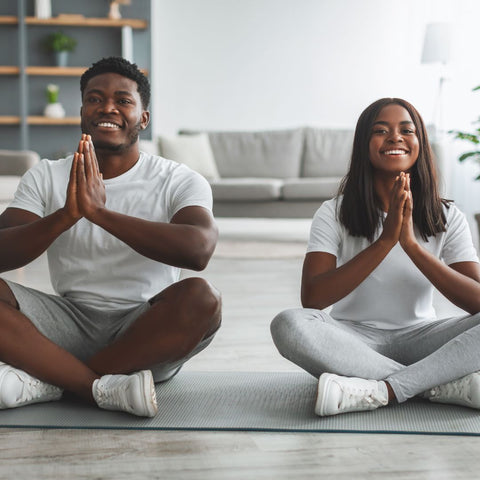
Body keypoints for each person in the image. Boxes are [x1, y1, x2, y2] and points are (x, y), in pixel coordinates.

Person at [0, 57, 221, 417]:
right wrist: (66, 216)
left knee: (203, 298)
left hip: (146, 330)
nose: (107, 108)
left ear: (143, 117)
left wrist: (99, 214)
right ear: (83, 110)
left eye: (123, 100)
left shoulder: (179, 179)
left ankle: (52, 381)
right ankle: (94, 387)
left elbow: (198, 251)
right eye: (95, 98)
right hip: (67, 322)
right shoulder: (47, 175)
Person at [271, 98, 480, 417]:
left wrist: (410, 245)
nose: (395, 137)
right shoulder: (333, 212)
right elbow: (312, 299)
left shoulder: (447, 216)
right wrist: (385, 241)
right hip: (351, 341)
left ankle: (384, 388)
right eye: (381, 130)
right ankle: (437, 385)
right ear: (364, 145)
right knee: (287, 324)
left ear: (419, 143)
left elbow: (477, 301)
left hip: (423, 339)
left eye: (406, 130)